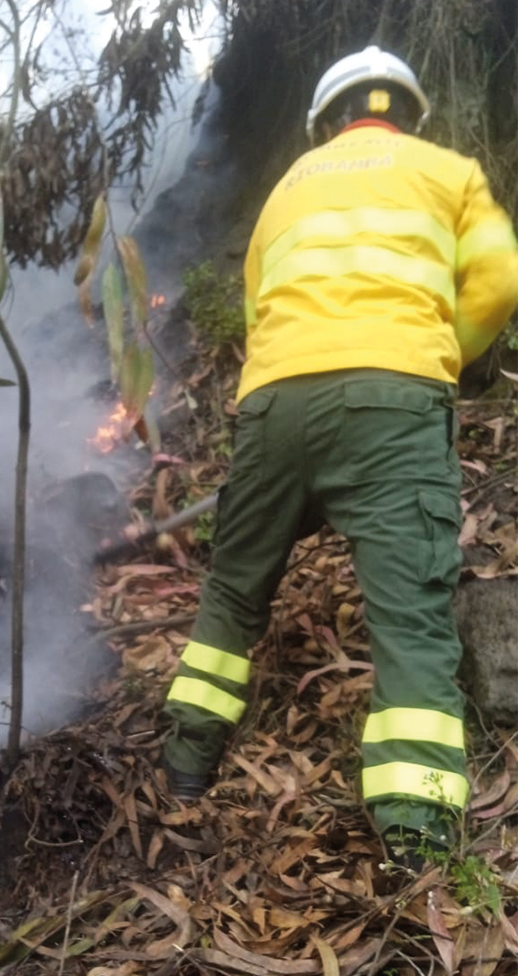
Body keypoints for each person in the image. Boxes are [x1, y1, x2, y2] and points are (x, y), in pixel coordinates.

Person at [162, 46, 518, 865]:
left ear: (326, 120)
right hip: (393, 402)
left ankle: (183, 767)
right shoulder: (448, 170)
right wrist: (450, 354)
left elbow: (260, 305)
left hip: (275, 400)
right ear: (406, 111)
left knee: (232, 594)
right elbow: (497, 279)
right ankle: (417, 841)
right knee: (409, 620)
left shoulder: (287, 188)